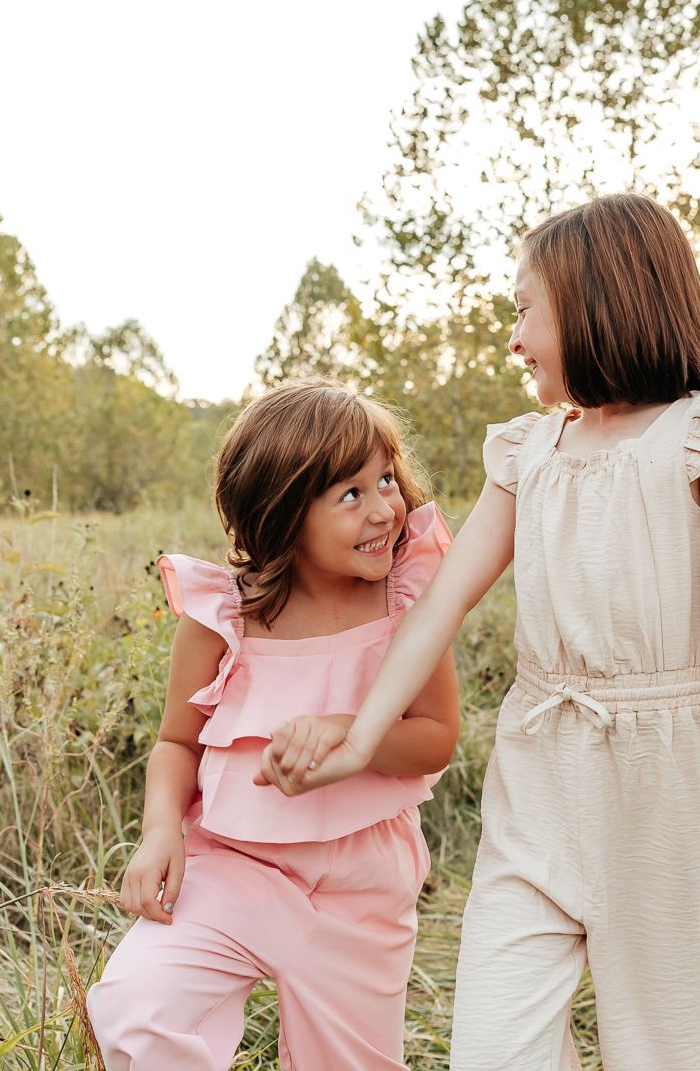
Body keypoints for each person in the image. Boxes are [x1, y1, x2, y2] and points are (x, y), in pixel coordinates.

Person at [259, 193, 700, 1069]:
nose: (514, 339)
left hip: (671, 789)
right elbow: (438, 603)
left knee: (681, 1050)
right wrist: (361, 735)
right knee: (492, 1047)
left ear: (597, 300)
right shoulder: (531, 451)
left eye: (525, 310)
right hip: (540, 775)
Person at [85, 378, 459, 1070]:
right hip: (231, 867)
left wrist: (354, 730)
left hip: (362, 885)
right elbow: (176, 741)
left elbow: (436, 735)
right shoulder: (223, 617)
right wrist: (160, 830)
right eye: (350, 494)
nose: (384, 509)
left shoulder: (407, 601)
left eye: (385, 479)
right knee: (136, 1007)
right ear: (282, 512)